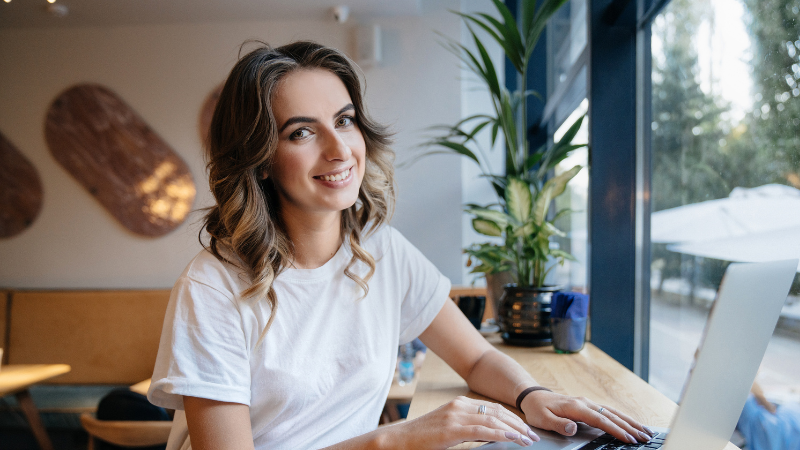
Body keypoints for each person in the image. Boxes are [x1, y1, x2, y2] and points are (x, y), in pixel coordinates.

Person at [147, 41, 655, 450]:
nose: (340, 148)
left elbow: (476, 360)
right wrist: (397, 440)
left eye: (344, 120)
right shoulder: (212, 287)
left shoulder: (380, 250)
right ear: (260, 159)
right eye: (302, 132)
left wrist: (532, 395)